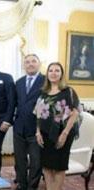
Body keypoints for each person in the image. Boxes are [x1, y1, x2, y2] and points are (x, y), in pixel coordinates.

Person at [34, 62, 80, 190]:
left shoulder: (68, 91)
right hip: (44, 134)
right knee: (47, 166)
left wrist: (64, 133)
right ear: (47, 74)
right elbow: (38, 114)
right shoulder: (43, 92)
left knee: (59, 166)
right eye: (51, 70)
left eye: (57, 71)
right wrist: (37, 132)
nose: (53, 73)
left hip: (62, 133)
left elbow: (75, 113)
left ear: (61, 74)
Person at [14, 54, 44, 190]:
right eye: (27, 62)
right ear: (23, 65)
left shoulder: (46, 81)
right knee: (20, 160)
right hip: (19, 127)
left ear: (39, 63)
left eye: (33, 61)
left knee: (36, 162)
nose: (30, 64)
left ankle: (32, 187)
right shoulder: (19, 82)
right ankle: (21, 184)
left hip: (37, 129)